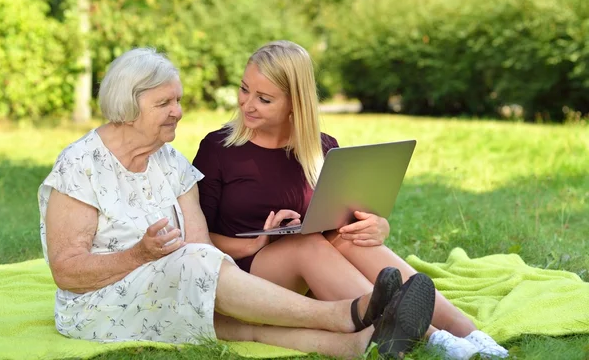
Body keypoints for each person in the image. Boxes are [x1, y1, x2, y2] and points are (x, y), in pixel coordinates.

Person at [37, 47, 437, 359]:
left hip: (175, 288)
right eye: (164, 104)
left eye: (177, 100)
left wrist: (254, 253)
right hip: (101, 305)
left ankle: (359, 345)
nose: (178, 112)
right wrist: (140, 255)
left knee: (223, 303)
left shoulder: (171, 163)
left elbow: (203, 250)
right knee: (198, 273)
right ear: (126, 106)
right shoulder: (81, 164)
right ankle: (347, 312)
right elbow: (67, 272)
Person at [192, 40, 509, 360]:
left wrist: (376, 226)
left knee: (348, 238)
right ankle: (434, 339)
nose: (247, 104)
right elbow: (196, 241)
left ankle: (470, 333)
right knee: (308, 245)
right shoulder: (218, 149)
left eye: (264, 99)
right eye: (244, 90)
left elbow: (342, 216)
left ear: (294, 103)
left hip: (317, 267)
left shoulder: (323, 149)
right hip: (247, 275)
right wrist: (253, 244)